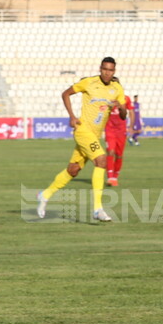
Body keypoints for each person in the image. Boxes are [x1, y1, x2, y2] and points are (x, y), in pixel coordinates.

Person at [37, 57, 126, 222]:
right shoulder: (88, 82)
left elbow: (123, 115)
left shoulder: (117, 89)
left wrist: (121, 108)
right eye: (105, 69)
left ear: (114, 71)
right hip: (82, 130)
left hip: (95, 135)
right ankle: (98, 209)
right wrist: (71, 116)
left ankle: (44, 195)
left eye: (111, 70)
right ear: (100, 69)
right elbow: (66, 94)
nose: (107, 72)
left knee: (73, 170)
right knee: (101, 161)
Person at [105, 94, 135, 186]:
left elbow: (131, 112)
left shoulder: (126, 98)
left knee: (119, 155)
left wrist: (131, 126)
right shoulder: (107, 98)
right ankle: (110, 177)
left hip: (121, 131)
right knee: (110, 151)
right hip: (110, 129)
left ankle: (115, 177)